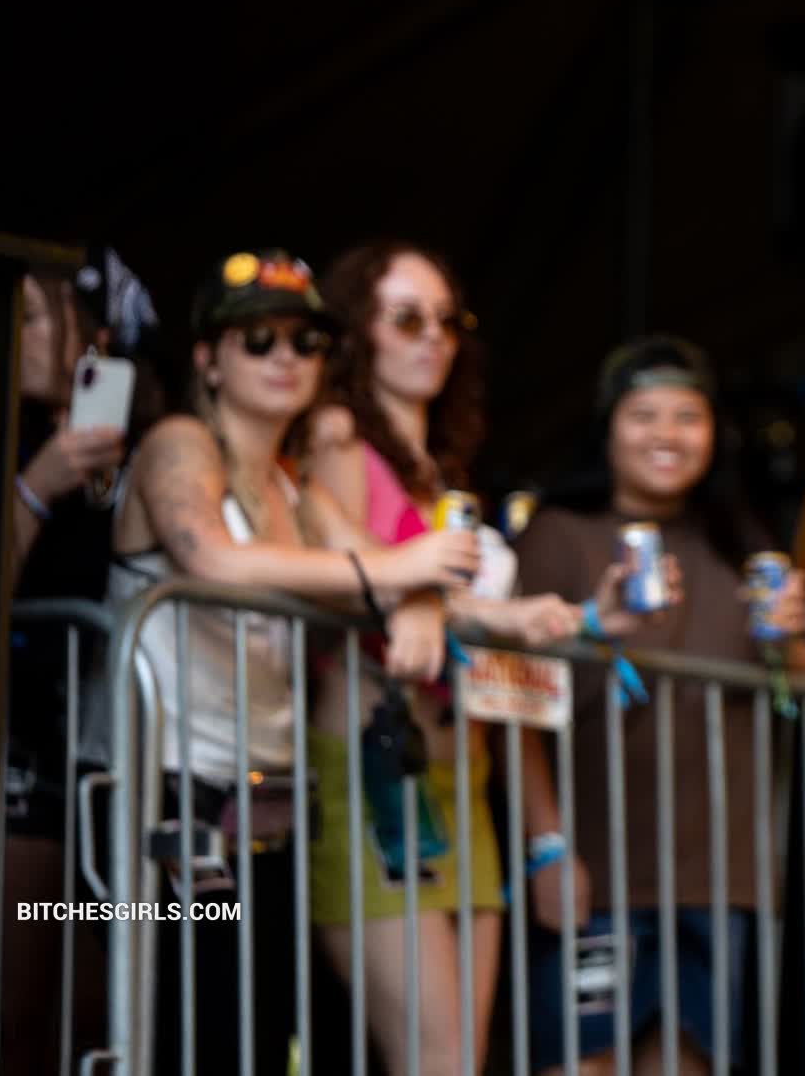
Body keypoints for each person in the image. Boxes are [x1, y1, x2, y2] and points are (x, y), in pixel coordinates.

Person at [105, 249, 479, 1076]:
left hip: (266, 807)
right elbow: (210, 555)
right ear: (208, 358)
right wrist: (399, 575)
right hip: (164, 802)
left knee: (263, 1044)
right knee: (182, 1039)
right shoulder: (179, 441)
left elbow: (384, 567)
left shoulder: (294, 487)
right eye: (258, 338)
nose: (286, 356)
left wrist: (429, 597)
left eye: (306, 341)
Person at [303, 241, 645, 1076]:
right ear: (357, 332)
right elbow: (349, 574)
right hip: (378, 770)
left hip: (467, 780)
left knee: (462, 1055)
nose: (433, 336)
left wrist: (580, 619)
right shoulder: (338, 435)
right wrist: (458, 603)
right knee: (440, 1057)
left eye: (448, 320)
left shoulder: (444, 471)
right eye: (406, 318)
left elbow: (495, 667)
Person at [512, 336, 805, 1076]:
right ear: (608, 430)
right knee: (580, 1063)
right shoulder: (559, 534)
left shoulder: (740, 543)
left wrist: (792, 637)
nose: (668, 434)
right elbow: (514, 701)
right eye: (644, 414)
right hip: (596, 865)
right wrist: (547, 845)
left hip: (721, 875)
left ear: (715, 434)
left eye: (688, 416)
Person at [1, 255, 145, 1071]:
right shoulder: (22, 444)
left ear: (94, 340)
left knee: (96, 1011)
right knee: (17, 1009)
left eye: (32, 317)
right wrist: (37, 483)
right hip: (21, 760)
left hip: (101, 758)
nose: (18, 334)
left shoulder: (143, 448)